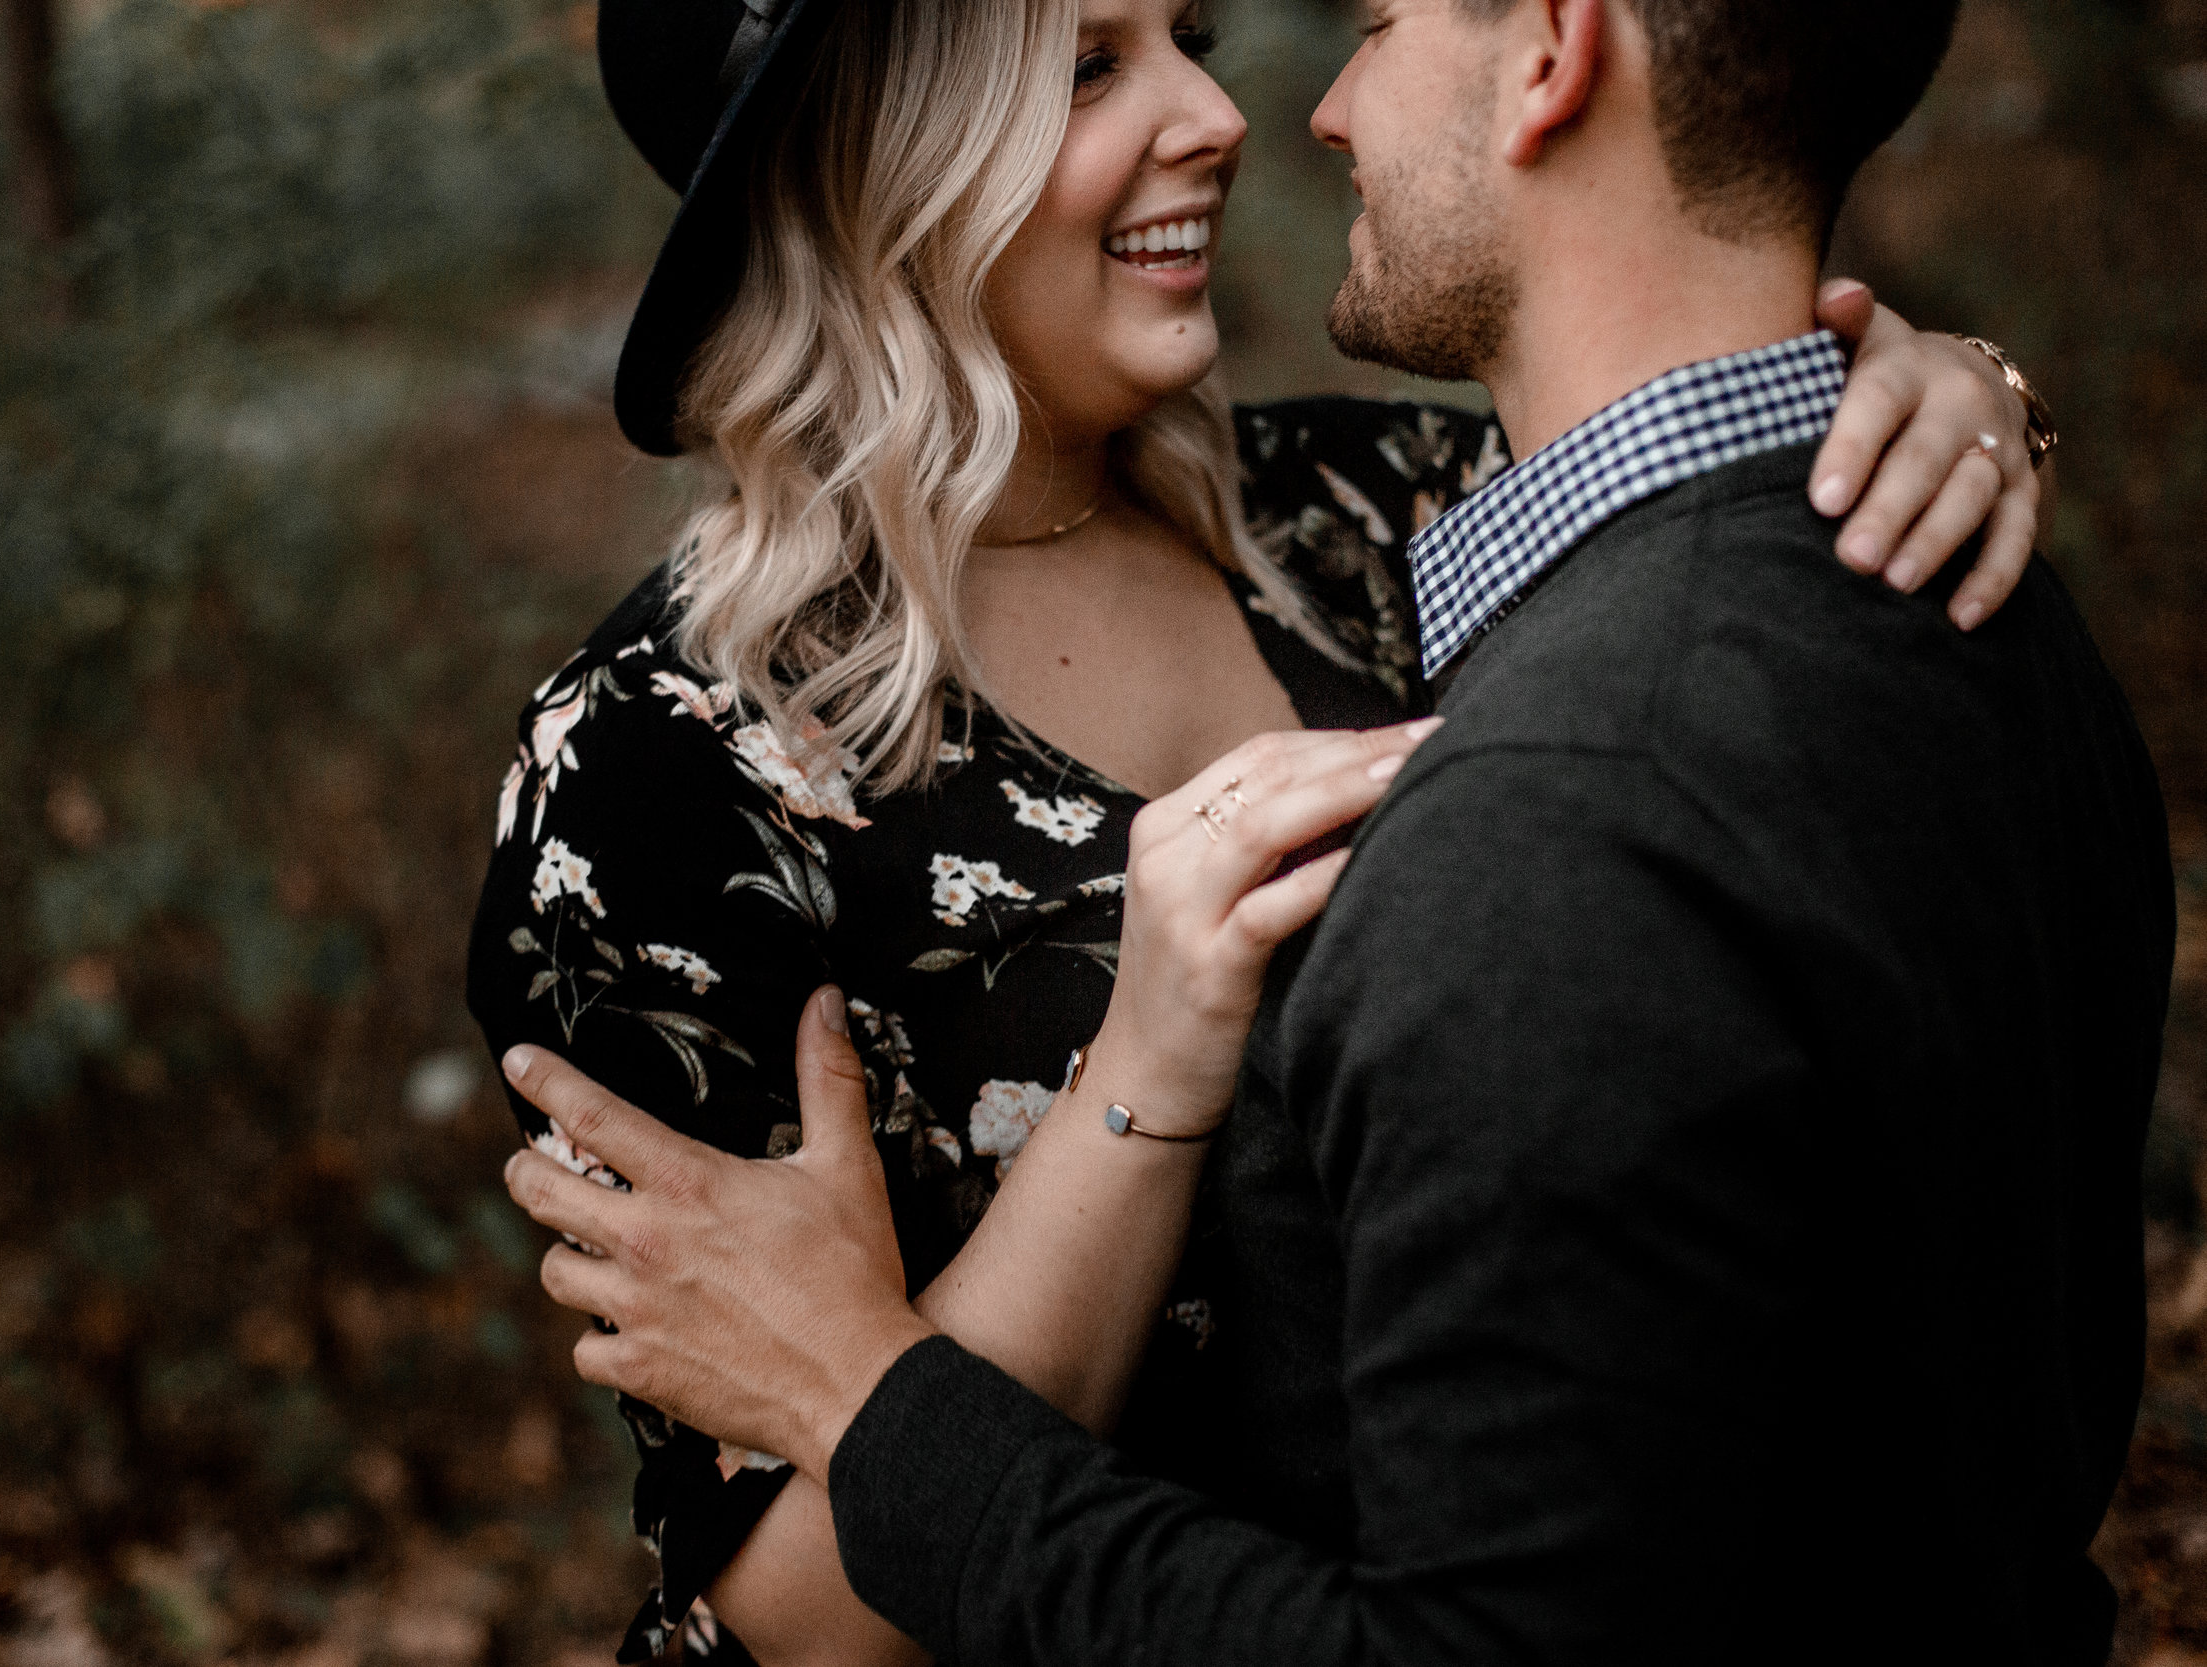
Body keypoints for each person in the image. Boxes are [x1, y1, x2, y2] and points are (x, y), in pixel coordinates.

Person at [470, 0, 2073, 1661]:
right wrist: (1148, 1060)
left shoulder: (1383, 515)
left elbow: (1692, 461)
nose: (1220, 115)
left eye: (1192, 35)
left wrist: (1937, 384)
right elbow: (798, 1625)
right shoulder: (659, 765)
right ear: (878, 178)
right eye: (1094, 66)